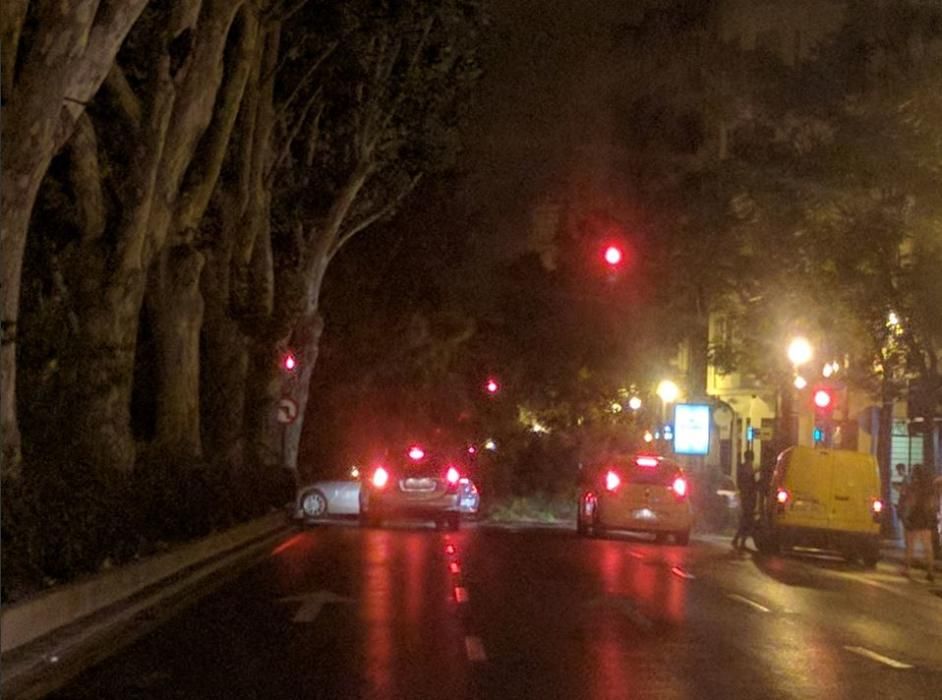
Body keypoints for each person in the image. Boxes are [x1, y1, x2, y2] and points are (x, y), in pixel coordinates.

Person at [899, 464, 938, 582]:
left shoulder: (913, 487)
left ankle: (907, 569)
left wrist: (905, 516)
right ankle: (930, 571)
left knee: (910, 546)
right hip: (926, 519)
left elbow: (911, 502)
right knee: (928, 547)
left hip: (914, 518)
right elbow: (933, 504)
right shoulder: (929, 488)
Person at [731, 450, 757, 552]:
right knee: (747, 520)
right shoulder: (748, 469)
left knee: (745, 519)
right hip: (748, 498)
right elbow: (750, 484)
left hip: (745, 497)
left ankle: (738, 539)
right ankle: (740, 541)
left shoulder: (742, 468)